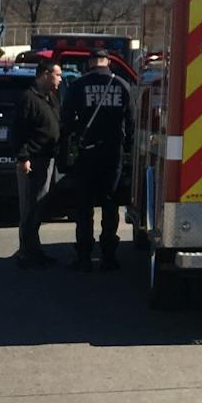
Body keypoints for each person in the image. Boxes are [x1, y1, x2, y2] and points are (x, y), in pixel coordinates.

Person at [63, 50, 133, 271]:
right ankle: (109, 257)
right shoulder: (122, 84)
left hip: (87, 153)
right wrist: (127, 146)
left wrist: (78, 133)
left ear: (90, 62)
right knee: (110, 205)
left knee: (84, 207)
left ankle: (83, 257)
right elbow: (130, 120)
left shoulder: (79, 85)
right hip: (112, 154)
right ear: (109, 62)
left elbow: (66, 118)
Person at [13, 59, 63, 270]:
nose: (60, 79)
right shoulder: (29, 99)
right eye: (57, 74)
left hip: (49, 158)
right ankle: (26, 253)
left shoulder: (50, 98)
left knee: (41, 204)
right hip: (34, 160)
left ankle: (36, 250)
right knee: (30, 207)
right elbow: (18, 132)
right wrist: (23, 158)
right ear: (44, 74)